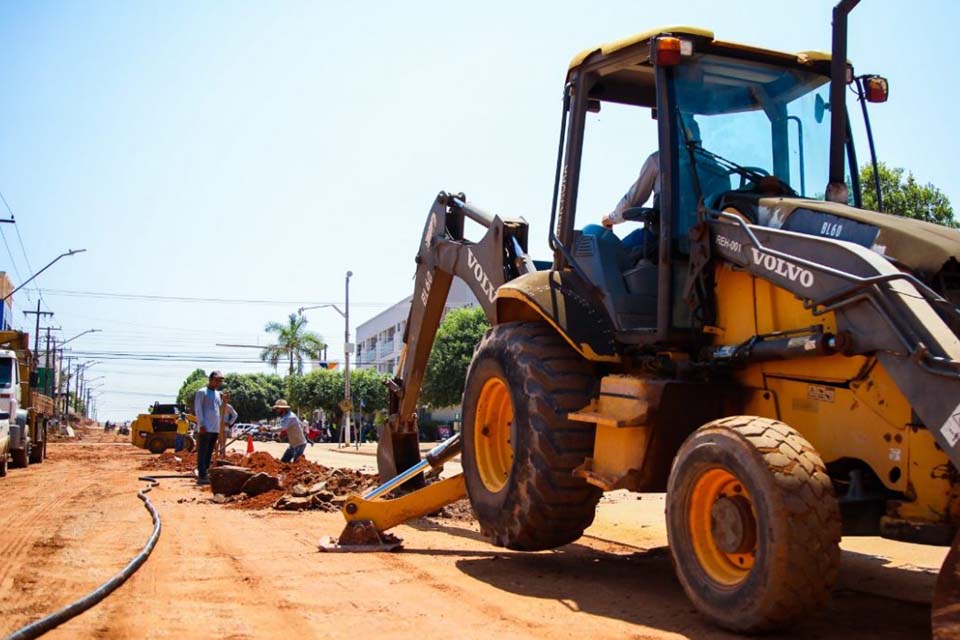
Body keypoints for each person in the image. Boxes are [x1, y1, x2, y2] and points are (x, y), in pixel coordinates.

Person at [193, 370, 224, 485]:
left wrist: (224, 400)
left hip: (215, 428)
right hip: (205, 427)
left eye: (220, 381)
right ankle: (202, 475)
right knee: (203, 451)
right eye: (216, 380)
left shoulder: (218, 394)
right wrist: (201, 424)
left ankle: (205, 471)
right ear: (210, 380)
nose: (218, 383)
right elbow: (198, 409)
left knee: (209, 452)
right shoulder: (202, 392)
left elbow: (218, 408)